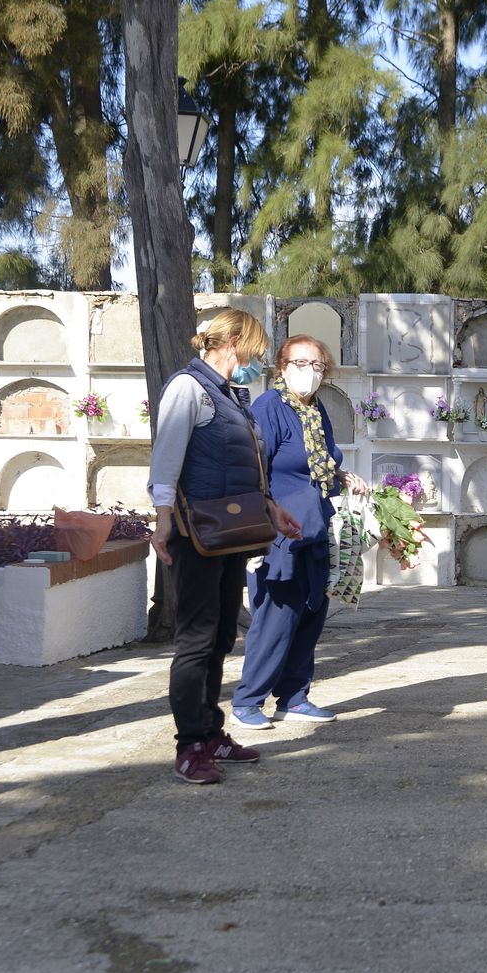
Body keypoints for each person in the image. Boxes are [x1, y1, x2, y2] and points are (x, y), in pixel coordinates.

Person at [148, 309, 302, 785]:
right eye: (255, 345)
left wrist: (271, 508)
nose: (259, 356)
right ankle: (189, 745)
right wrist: (162, 522)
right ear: (233, 341)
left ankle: (212, 733)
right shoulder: (187, 388)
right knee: (195, 640)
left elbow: (247, 467)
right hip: (197, 532)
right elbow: (166, 460)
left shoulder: (232, 395)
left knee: (219, 637)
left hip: (229, 533)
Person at [231, 335, 368, 730]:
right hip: (281, 532)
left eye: (319, 366)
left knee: (311, 611)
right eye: (302, 363)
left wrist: (342, 476)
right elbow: (255, 468)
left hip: (316, 525)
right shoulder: (269, 407)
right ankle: (247, 700)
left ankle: (293, 697)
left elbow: (319, 462)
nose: (311, 373)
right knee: (276, 616)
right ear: (282, 365)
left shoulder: (315, 410)